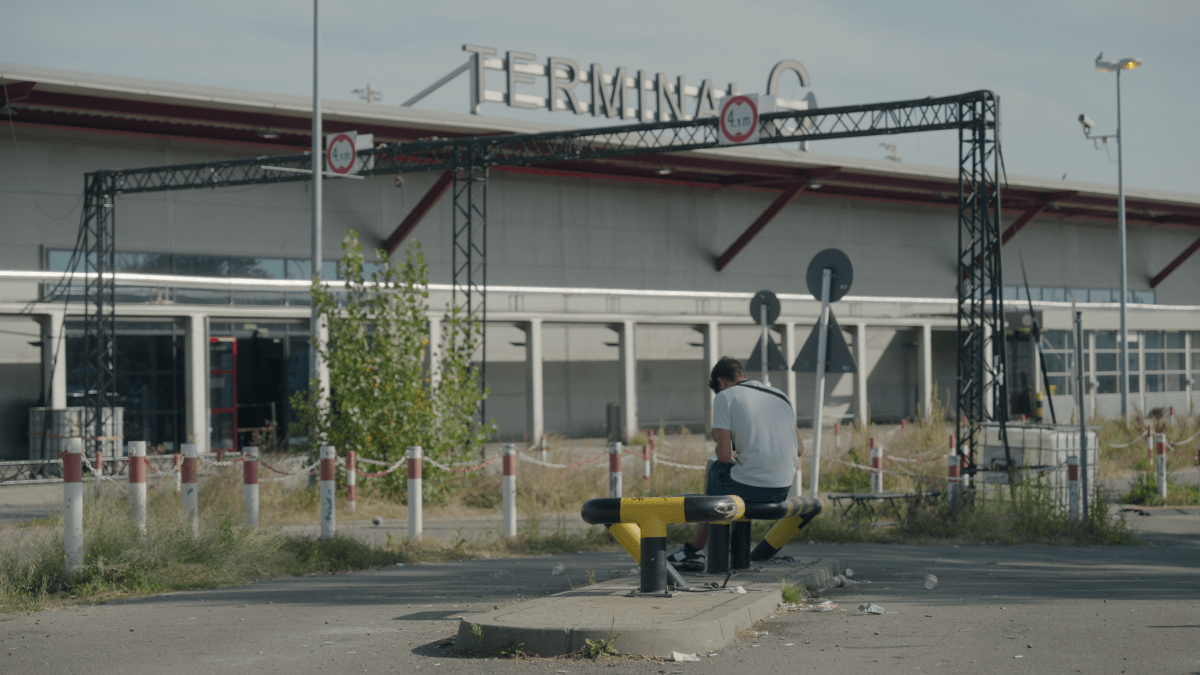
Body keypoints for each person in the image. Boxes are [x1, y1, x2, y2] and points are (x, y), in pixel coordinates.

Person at [667, 356, 801, 572]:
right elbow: (800, 449)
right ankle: (725, 551)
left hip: (754, 488)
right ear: (742, 374)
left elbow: (723, 456)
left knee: (713, 469)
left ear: (720, 382)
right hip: (782, 489)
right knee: (737, 474)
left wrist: (717, 437)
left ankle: (694, 550)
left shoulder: (724, 397)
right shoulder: (780, 395)